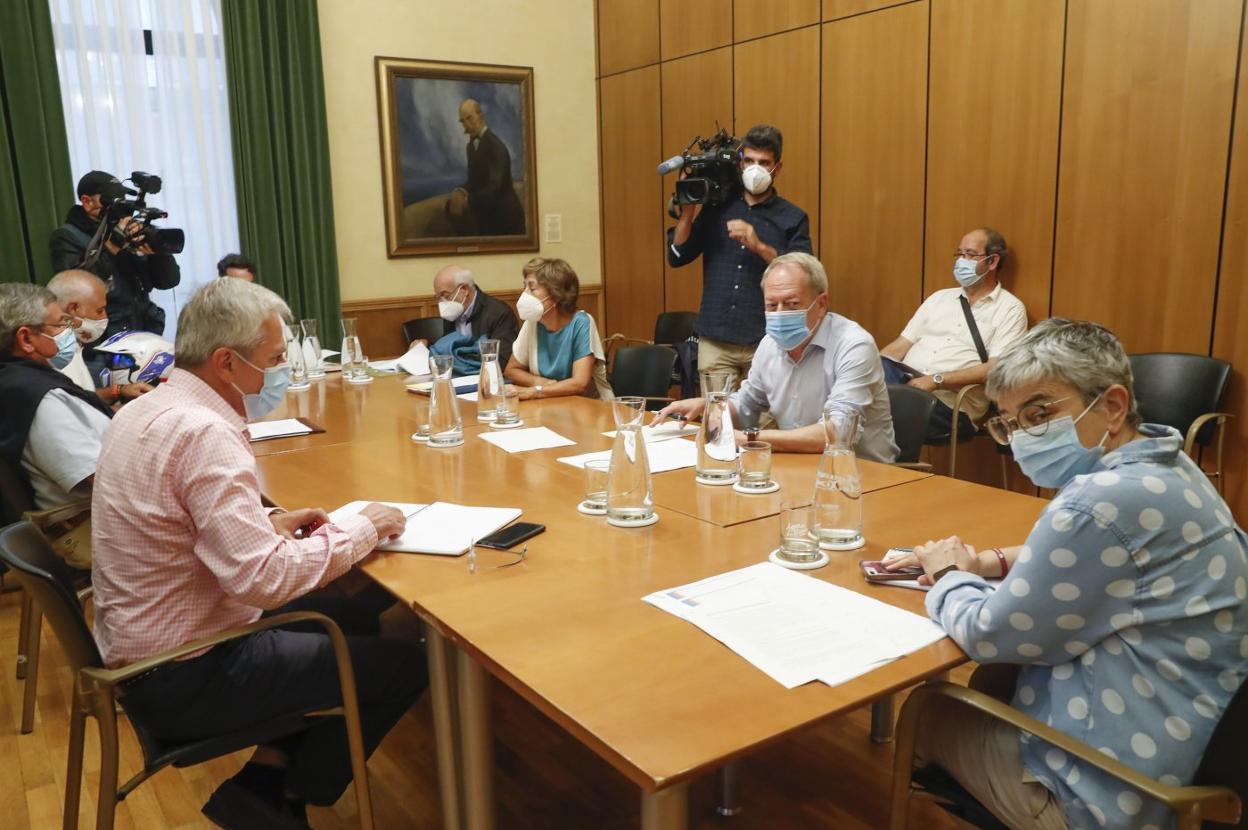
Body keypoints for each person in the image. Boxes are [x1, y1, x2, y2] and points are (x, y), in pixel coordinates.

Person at [90, 278, 427, 828]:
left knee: (352, 615)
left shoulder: (146, 409)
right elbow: (265, 581)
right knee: (404, 666)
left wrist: (266, 521)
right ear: (226, 362)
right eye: (273, 359)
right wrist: (363, 527)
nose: (282, 371)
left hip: (147, 649)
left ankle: (268, 779)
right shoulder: (203, 432)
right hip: (185, 675)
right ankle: (279, 796)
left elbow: (174, 518)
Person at [886, 319, 1248, 830]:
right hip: (1188, 756)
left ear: (1113, 406)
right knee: (995, 681)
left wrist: (947, 573)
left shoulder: (1096, 503)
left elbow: (988, 634)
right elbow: (1105, 555)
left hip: (1110, 796)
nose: (1021, 438)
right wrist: (985, 562)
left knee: (928, 710)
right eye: (1009, 423)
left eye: (1040, 415)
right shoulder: (1169, 466)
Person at [654, 253, 898, 461]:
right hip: (799, 468)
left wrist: (751, 438)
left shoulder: (854, 345)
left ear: (821, 303)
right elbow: (747, 403)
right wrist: (711, 406)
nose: (780, 314)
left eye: (791, 304)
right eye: (772, 305)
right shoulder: (770, 344)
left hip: (864, 475)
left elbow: (839, 432)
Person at [667, 124, 812, 385]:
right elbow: (677, 256)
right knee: (716, 411)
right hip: (715, 340)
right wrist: (687, 214)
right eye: (750, 161)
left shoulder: (793, 217)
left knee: (765, 412)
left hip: (766, 340)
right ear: (740, 162)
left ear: (777, 168)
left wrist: (759, 246)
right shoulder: (717, 208)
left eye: (764, 163)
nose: (756, 169)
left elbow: (803, 275)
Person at [880, 227, 1027, 440]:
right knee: (873, 368)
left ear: (992, 261)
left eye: (970, 255)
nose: (961, 261)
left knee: (874, 409)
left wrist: (936, 380)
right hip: (904, 386)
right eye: (959, 254)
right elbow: (898, 347)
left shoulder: (1010, 308)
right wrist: (871, 368)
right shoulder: (938, 298)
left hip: (950, 406)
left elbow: (996, 370)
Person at [0, 283, 113, 513]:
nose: (67, 331)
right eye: (61, 324)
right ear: (26, 339)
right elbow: (106, 480)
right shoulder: (41, 400)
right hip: (90, 521)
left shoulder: (20, 379)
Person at [49, 170, 181, 338]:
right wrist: (111, 246)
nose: (119, 207)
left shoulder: (128, 229)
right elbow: (74, 291)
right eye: (111, 200)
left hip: (145, 329)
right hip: (105, 335)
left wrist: (158, 253)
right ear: (87, 202)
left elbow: (168, 281)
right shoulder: (67, 237)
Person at [503, 257, 611, 400]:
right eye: (525, 287)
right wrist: (540, 383)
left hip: (590, 406)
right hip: (549, 403)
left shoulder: (581, 322)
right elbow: (511, 370)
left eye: (532, 288)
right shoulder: (533, 322)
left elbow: (579, 384)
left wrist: (532, 392)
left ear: (556, 294)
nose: (525, 294)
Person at [46, 269, 153, 403]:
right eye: (99, 311)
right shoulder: (59, 356)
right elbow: (80, 407)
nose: (105, 317)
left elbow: (82, 394)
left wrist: (119, 391)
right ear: (73, 308)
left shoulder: (69, 345)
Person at [446, 98, 525, 235]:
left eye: (469, 118)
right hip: (486, 216)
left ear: (480, 115)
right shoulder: (470, 147)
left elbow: (495, 187)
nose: (466, 125)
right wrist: (460, 191)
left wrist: (468, 201)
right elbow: (474, 180)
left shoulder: (496, 147)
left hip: (506, 219)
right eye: (463, 121)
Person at [425, 264, 520, 367]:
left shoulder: (499, 313)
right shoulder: (452, 312)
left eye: (446, 296)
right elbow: (446, 350)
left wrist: (461, 360)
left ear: (464, 289)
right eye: (438, 297)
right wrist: (426, 346)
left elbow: (502, 359)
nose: (442, 303)